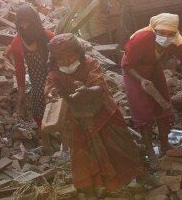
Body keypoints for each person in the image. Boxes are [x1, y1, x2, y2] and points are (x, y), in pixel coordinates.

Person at [45, 34, 149, 196]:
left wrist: (87, 91)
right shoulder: (55, 73)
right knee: (85, 152)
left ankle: (134, 179)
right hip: (78, 119)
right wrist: (52, 95)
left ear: (78, 52)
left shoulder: (90, 63)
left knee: (120, 147)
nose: (65, 62)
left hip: (103, 113)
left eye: (69, 56)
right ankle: (100, 188)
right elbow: (51, 89)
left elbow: (99, 85)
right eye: (60, 59)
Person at [122, 13, 182, 168]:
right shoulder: (141, 39)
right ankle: (150, 151)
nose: (165, 36)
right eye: (161, 33)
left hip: (153, 68)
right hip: (133, 71)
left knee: (164, 104)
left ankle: (165, 144)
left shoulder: (172, 42)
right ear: (154, 30)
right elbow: (128, 65)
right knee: (142, 110)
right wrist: (142, 80)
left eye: (170, 34)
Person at [5, 5, 54, 125]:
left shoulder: (48, 36)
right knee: (40, 110)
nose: (25, 26)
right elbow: (20, 69)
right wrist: (21, 93)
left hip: (54, 77)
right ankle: (45, 134)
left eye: (28, 22)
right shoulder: (16, 43)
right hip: (36, 81)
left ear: (35, 21)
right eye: (21, 23)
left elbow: (60, 57)